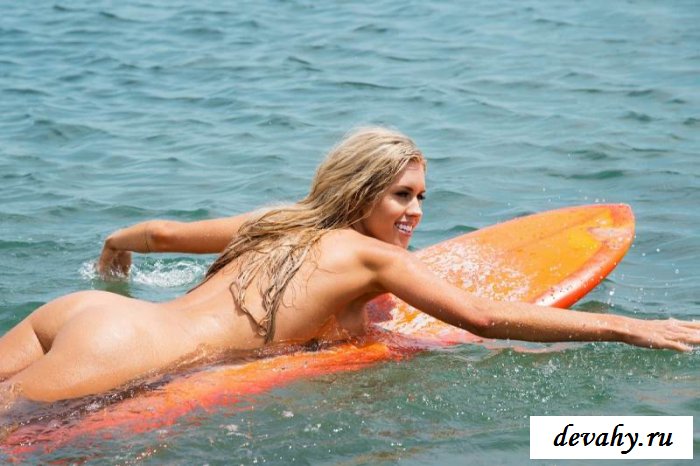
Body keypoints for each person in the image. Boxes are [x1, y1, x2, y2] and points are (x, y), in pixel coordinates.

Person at [1, 127, 699, 404]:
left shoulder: (278, 219)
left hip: (91, 311)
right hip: (128, 350)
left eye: (422, 197)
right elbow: (483, 318)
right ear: (361, 192)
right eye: (401, 196)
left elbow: (160, 232)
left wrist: (114, 247)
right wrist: (631, 328)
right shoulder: (371, 257)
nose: (415, 213)